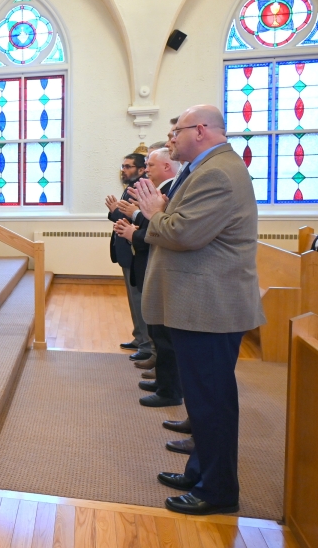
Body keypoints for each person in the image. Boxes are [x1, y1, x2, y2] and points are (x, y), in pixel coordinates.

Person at [136, 104, 265, 516]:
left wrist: (154, 212)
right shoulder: (204, 169)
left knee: (211, 402)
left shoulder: (218, 174)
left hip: (211, 307)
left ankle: (218, 490)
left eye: (179, 129)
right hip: (200, 304)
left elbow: (184, 231)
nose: (173, 136)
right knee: (204, 399)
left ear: (203, 130)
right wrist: (160, 212)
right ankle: (200, 470)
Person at [115, 149, 181, 408]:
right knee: (154, 324)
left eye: (150, 165)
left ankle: (169, 387)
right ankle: (164, 382)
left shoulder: (167, 190)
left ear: (166, 166)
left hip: (155, 259)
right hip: (146, 258)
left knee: (161, 330)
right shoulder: (156, 189)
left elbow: (163, 229)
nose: (146, 169)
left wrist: (134, 222)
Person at [106, 152, 153, 359]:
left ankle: (147, 344)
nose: (123, 170)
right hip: (127, 250)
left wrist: (114, 211)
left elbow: (137, 219)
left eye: (128, 166)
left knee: (139, 299)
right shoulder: (131, 187)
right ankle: (139, 337)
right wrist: (115, 211)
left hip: (136, 251)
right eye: (123, 166)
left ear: (141, 170)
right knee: (133, 299)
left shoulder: (140, 188)